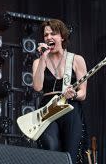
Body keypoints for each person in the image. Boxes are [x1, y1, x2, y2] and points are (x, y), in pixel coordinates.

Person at [32, 19, 88, 163]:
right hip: (48, 108)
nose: (49, 37)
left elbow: (83, 93)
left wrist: (74, 94)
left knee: (71, 154)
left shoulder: (76, 59)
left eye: (53, 34)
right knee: (51, 148)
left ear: (62, 36)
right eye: (46, 35)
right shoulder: (38, 62)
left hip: (70, 107)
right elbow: (37, 87)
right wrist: (43, 58)